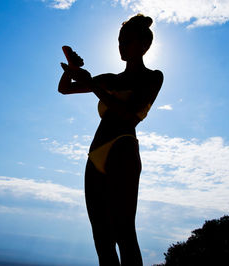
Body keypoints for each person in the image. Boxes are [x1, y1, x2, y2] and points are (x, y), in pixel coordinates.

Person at [58, 14, 163, 266]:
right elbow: (65, 88)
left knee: (124, 231)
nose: (121, 46)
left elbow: (130, 114)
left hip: (123, 148)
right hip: (95, 155)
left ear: (145, 46)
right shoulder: (110, 79)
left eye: (127, 41)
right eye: (119, 41)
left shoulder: (153, 77)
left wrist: (93, 86)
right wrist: (72, 70)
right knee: (101, 236)